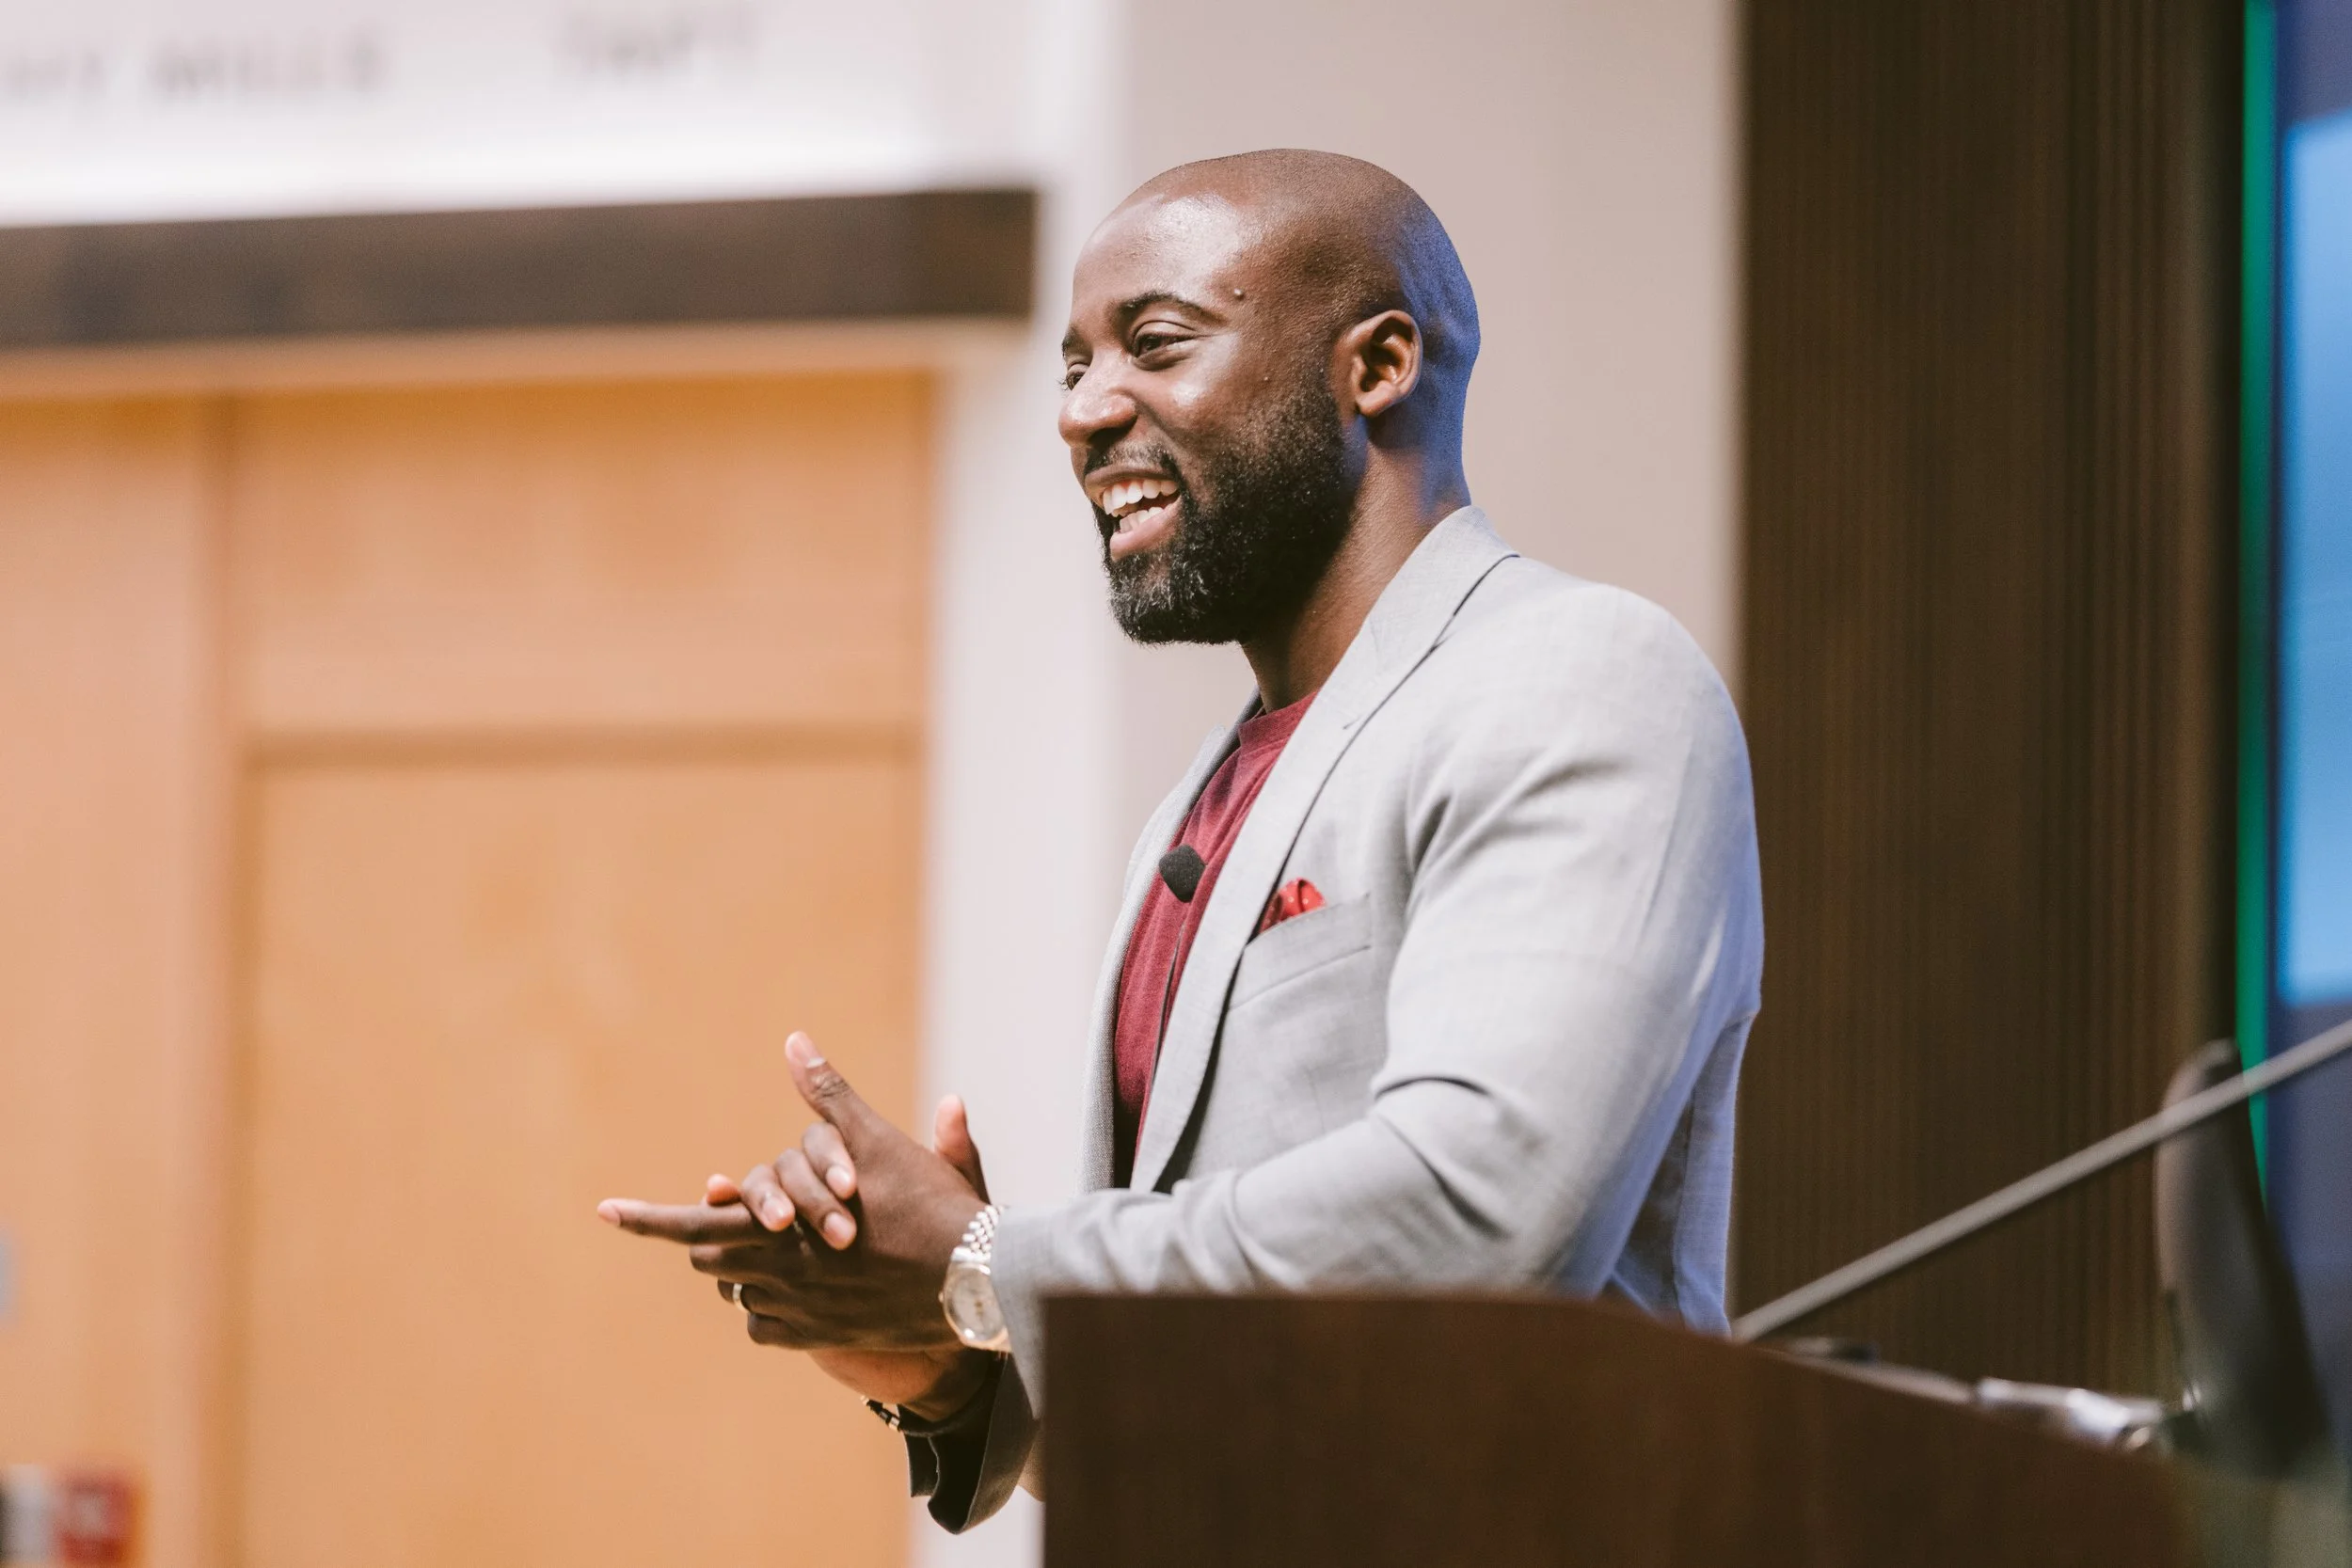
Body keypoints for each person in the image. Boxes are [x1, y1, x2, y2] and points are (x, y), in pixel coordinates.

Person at [599, 148, 1763, 1531]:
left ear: (1377, 365)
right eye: (1074, 366)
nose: (1084, 411)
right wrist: (952, 1363)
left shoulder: (1577, 674)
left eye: (1154, 344)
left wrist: (986, 1265)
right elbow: (1249, 1410)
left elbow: (1483, 1216)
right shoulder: (1203, 803)